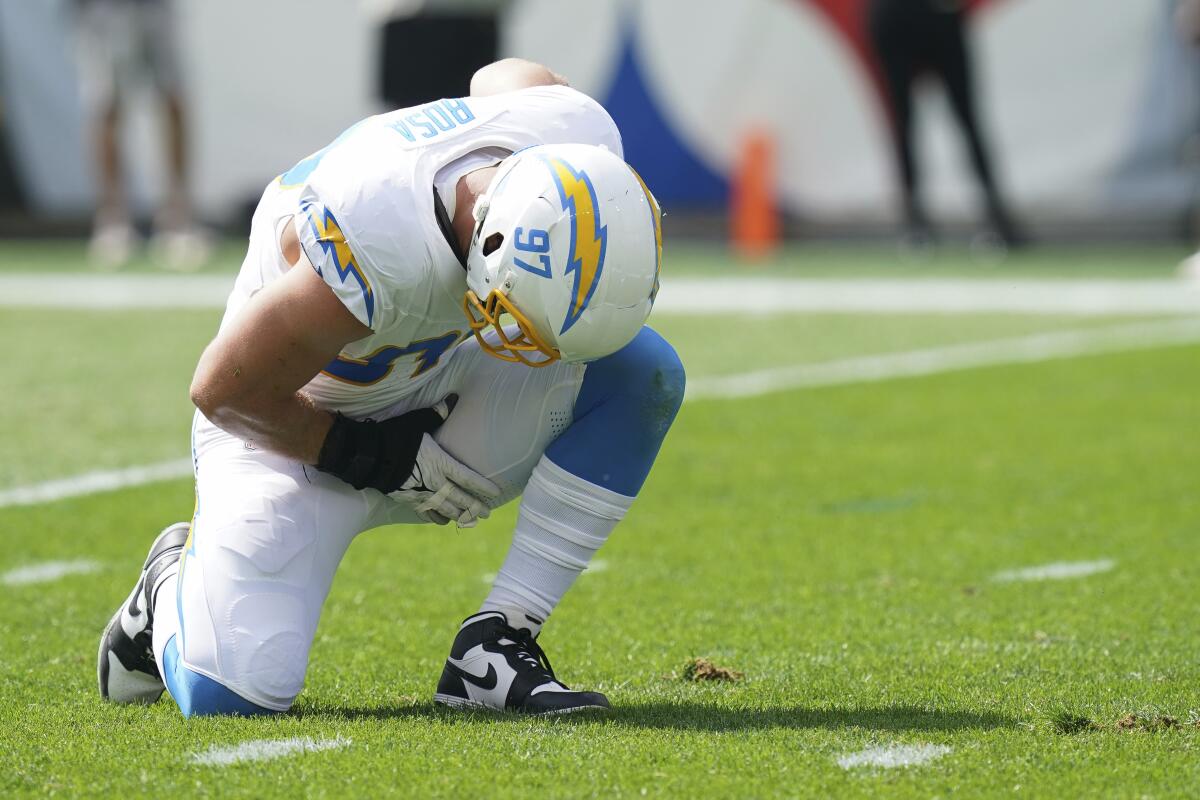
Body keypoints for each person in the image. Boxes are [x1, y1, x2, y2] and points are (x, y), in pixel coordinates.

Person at [96, 58, 683, 717]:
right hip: (287, 427)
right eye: (526, 324)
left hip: (428, 386)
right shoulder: (377, 233)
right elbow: (222, 389)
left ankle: (496, 644)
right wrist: (365, 454)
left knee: (641, 373)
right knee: (231, 694)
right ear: (490, 246)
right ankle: (165, 588)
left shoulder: (573, 132)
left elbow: (504, 75)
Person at [866, 0, 1023, 249]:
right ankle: (915, 223)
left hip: (939, 15)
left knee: (966, 119)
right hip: (895, 16)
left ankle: (998, 219)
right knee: (903, 122)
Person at [74, 0, 208, 269]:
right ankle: (113, 224)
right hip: (100, 8)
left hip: (154, 5)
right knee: (106, 106)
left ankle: (178, 221)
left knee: (173, 99)